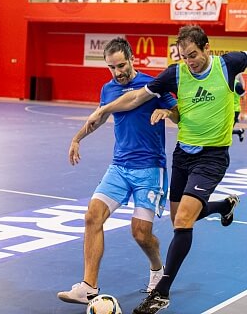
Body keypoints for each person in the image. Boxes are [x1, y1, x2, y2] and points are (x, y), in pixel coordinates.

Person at [84, 25, 247, 314]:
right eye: (184, 57)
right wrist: (104, 109)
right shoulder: (175, 73)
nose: (190, 62)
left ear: (206, 48)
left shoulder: (227, 65)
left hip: (212, 156)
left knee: (184, 220)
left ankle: (161, 292)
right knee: (181, 217)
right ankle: (223, 206)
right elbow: (136, 97)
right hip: (183, 155)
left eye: (194, 55)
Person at [57, 37, 179, 305]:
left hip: (149, 169)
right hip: (119, 167)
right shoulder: (108, 89)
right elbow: (99, 117)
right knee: (92, 216)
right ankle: (89, 287)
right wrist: (77, 138)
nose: (117, 72)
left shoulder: (153, 85)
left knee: (140, 233)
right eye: (111, 67)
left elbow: (179, 114)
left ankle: (157, 269)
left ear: (132, 59)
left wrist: (167, 113)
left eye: (121, 65)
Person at [232, 75, 246, 142]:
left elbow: (244, 98)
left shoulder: (237, 85)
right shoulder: (224, 83)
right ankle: (239, 132)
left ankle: (239, 132)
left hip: (234, 110)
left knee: (226, 131)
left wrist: (243, 113)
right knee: (223, 130)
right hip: (225, 110)